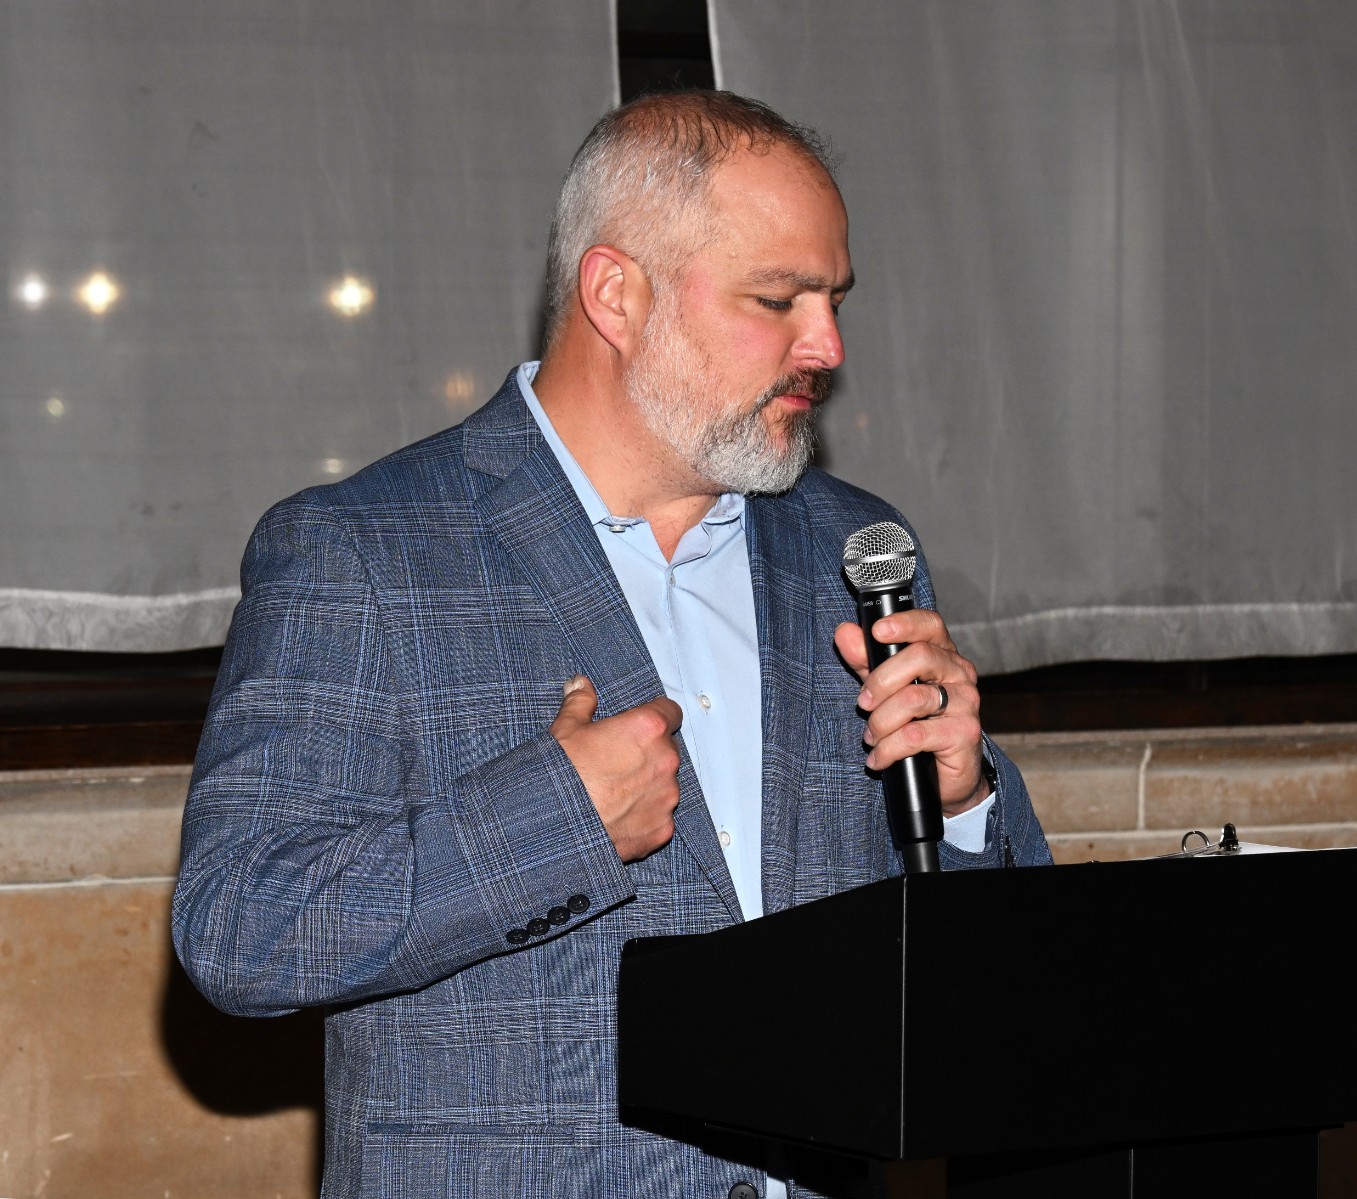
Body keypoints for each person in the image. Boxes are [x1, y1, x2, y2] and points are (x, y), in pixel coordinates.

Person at [173, 90, 1050, 1199]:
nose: (826, 346)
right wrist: (557, 819)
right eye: (777, 299)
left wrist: (964, 803)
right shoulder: (365, 550)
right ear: (616, 294)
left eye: (833, 301)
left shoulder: (853, 549)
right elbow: (241, 928)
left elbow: (996, 984)